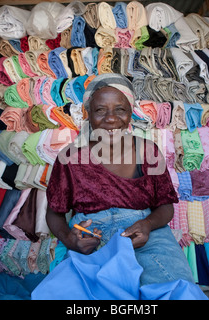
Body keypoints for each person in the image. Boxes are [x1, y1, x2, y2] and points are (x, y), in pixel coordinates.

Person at [45, 73, 195, 286]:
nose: (111, 118)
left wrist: (147, 224)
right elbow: (54, 214)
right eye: (100, 110)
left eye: (120, 109)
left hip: (145, 236)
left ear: (131, 113)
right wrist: (70, 239)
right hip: (90, 236)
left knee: (176, 288)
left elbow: (165, 207)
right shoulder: (70, 158)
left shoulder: (148, 151)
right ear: (87, 114)